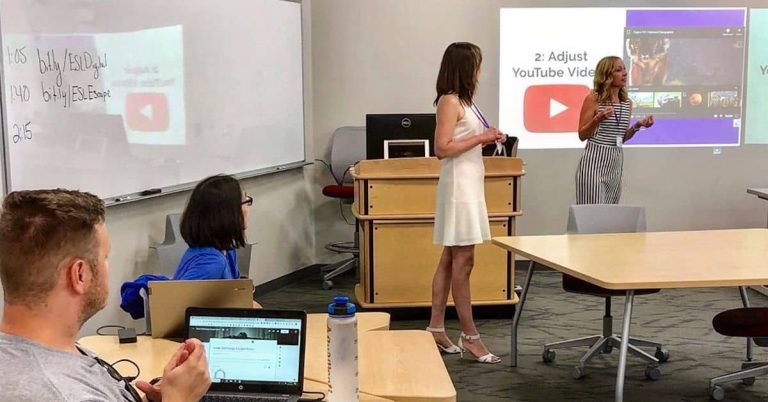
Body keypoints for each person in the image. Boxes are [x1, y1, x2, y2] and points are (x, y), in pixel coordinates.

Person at [0, 189, 211, 401]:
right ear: (79, 275)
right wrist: (180, 398)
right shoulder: (61, 392)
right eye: (105, 257)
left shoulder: (44, 348)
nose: (107, 266)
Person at [428, 42, 505, 364]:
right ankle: (470, 335)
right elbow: (442, 148)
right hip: (459, 186)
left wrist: (487, 137)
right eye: (478, 65)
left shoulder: (466, 102)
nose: (481, 71)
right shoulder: (449, 101)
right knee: (464, 260)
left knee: (451, 258)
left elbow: (462, 142)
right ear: (465, 68)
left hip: (470, 182)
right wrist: (481, 138)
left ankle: (435, 328)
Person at [575, 56, 655, 204]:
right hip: (594, 164)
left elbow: (621, 138)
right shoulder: (594, 98)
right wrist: (597, 119)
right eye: (618, 70)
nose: (625, 73)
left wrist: (637, 126)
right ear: (607, 76)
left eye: (624, 69)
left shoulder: (627, 103)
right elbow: (582, 135)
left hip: (615, 165)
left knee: (609, 219)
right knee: (593, 217)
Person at [173, 174, 251, 280]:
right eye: (245, 201)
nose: (248, 207)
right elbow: (178, 296)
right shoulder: (212, 263)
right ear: (226, 213)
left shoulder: (227, 249)